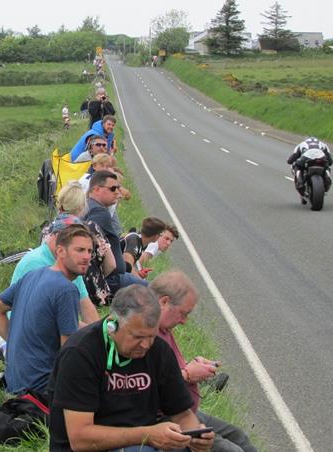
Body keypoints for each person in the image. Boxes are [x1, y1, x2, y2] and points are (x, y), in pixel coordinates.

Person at [48, 285, 214, 452]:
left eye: (151, 336)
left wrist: (195, 437)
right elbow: (80, 438)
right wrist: (146, 435)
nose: (146, 344)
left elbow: (182, 414)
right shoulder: (81, 353)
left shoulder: (159, 351)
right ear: (113, 324)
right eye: (138, 336)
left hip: (141, 443)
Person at [151, 272, 257, 452]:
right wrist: (187, 374)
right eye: (183, 314)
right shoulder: (145, 334)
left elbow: (169, 370)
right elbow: (146, 389)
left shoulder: (164, 327)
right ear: (164, 302)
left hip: (186, 410)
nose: (184, 321)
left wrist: (193, 367)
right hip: (167, 417)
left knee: (239, 437)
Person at [0, 225, 95, 395]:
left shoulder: (33, 275)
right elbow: (69, 355)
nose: (86, 256)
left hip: (15, 382)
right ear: (60, 251)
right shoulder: (66, 289)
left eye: (89, 251)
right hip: (41, 390)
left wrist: (15, 347)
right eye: (79, 250)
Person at [10, 214, 101, 327]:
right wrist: (90, 334)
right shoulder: (36, 263)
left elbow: (86, 306)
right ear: (57, 237)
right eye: (78, 246)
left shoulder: (70, 263)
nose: (86, 256)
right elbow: (50, 318)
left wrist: (101, 334)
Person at [83, 170, 146, 295]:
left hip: (114, 275)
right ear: (96, 190)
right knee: (152, 293)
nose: (118, 192)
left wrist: (127, 267)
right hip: (111, 280)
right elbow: (88, 239)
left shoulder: (89, 206)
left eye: (118, 188)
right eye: (113, 188)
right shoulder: (99, 212)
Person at [286, 136, 333, 203]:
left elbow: (292, 159)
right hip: (321, 157)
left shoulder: (301, 144)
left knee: (296, 165)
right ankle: (327, 179)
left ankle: (300, 182)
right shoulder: (323, 145)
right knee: (327, 166)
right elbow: (330, 161)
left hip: (306, 157)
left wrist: (289, 160)